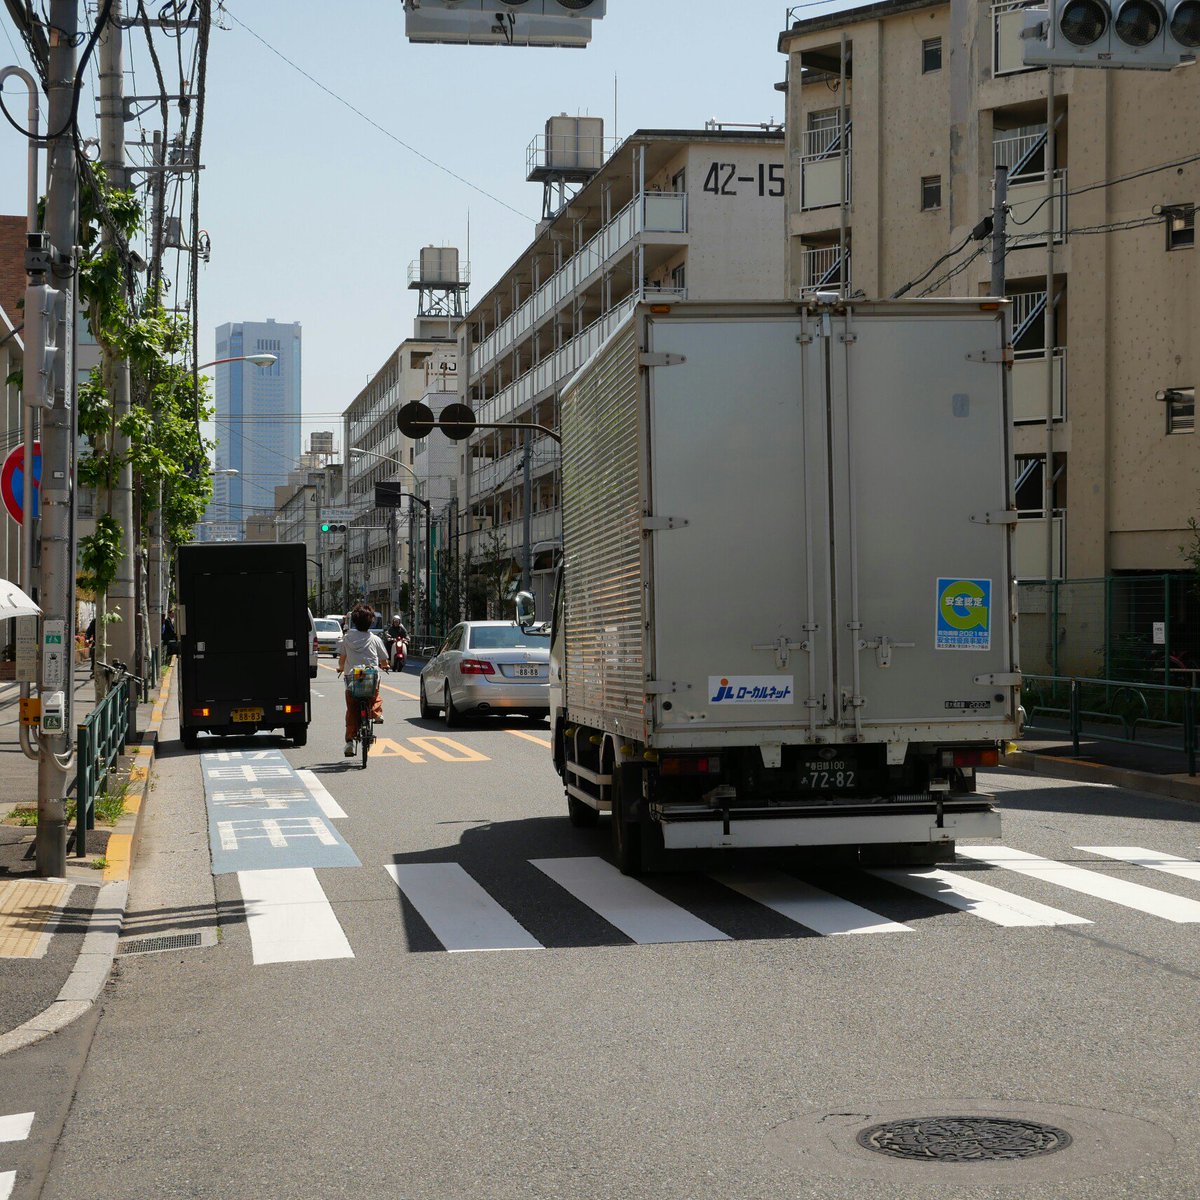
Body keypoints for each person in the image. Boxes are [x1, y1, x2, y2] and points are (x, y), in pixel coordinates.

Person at [337, 604, 389, 757]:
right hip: (370, 678)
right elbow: (384, 660)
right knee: (374, 695)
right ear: (370, 622)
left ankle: (350, 743)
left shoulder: (347, 638)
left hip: (353, 679)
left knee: (352, 710)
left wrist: (340, 668)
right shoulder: (375, 639)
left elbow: (342, 658)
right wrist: (385, 666)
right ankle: (376, 713)